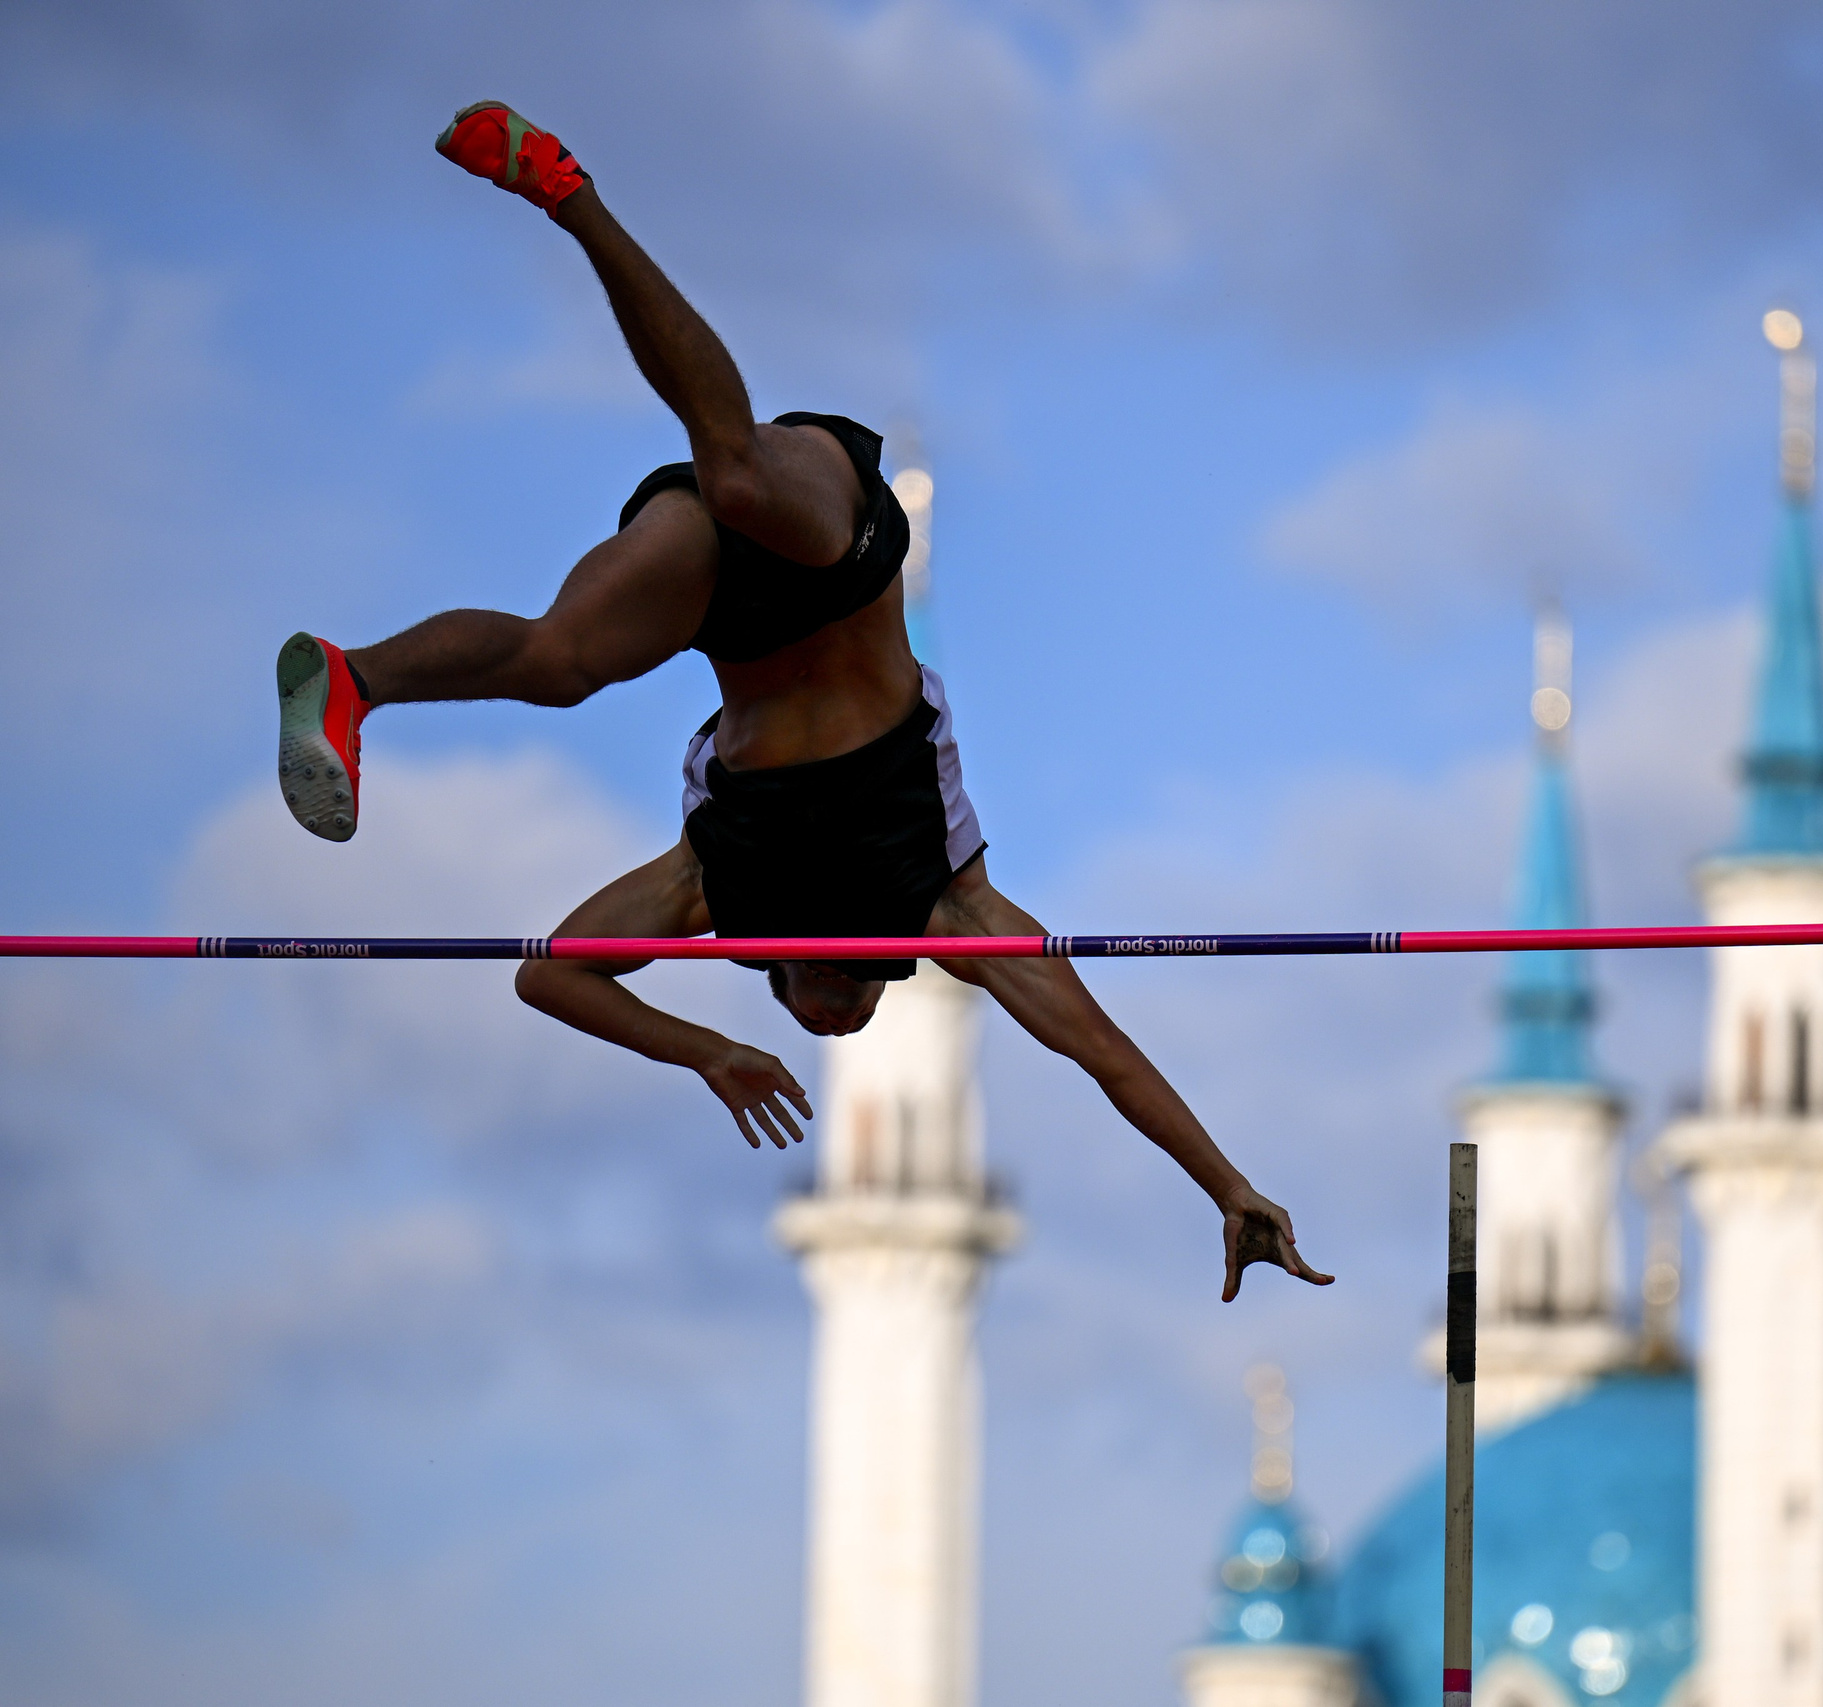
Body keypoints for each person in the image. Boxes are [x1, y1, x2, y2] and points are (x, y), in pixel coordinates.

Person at [276, 101, 1329, 1303]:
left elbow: (548, 975)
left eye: (813, 1018)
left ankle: (353, 677)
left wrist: (708, 1054)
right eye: (850, 1012)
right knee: (730, 469)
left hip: (725, 608)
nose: (832, 1016)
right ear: (872, 976)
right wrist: (1225, 1182)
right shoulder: (943, 905)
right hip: (844, 552)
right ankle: (569, 195)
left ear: (774, 970)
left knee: (560, 661)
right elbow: (1102, 1054)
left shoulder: (715, 892)